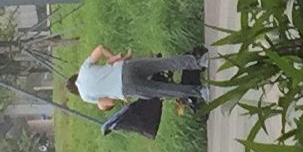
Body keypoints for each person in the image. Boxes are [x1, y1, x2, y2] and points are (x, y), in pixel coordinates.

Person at [73, 49, 206, 108]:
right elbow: (99, 49)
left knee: (163, 90)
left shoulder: (85, 96)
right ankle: (199, 62)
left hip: (126, 88)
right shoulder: (83, 69)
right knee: (163, 63)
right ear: (75, 75)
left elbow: (110, 102)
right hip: (125, 67)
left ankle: (200, 91)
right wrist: (112, 57)